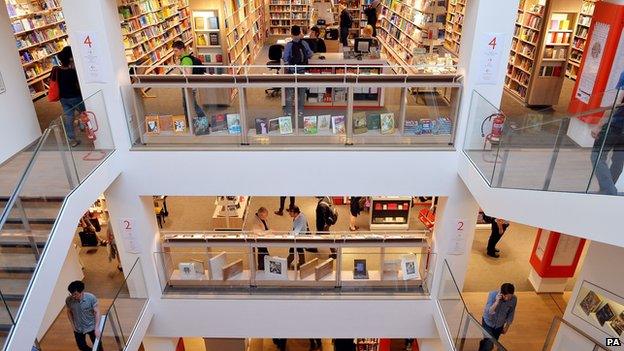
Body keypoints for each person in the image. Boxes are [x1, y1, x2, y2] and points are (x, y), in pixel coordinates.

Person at [590, 105, 624, 195]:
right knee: (618, 162)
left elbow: (616, 104)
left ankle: (609, 191)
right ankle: (608, 190)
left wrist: (599, 126)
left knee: (597, 156)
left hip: (614, 127)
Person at [56, 46, 84, 147]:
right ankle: (84, 126)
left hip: (63, 98)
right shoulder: (72, 72)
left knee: (68, 118)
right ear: (71, 58)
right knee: (84, 113)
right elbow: (78, 85)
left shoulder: (57, 70)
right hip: (75, 97)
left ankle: (72, 140)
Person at [282, 26, 313, 117]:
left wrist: (288, 67)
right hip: (302, 71)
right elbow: (310, 54)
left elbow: (285, 58)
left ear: (291, 34)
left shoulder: (289, 45)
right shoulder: (304, 43)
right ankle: (300, 111)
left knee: (290, 92)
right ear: (300, 33)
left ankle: (288, 111)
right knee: (301, 92)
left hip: (292, 71)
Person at [172, 40, 207, 120]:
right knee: (188, 103)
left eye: (176, 51)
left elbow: (188, 75)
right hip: (190, 85)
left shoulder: (185, 60)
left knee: (191, 103)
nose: (174, 53)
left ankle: (202, 120)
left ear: (182, 50)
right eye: (174, 51)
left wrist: (179, 67)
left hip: (189, 85)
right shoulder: (187, 57)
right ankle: (189, 122)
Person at [66, 281, 103, 351]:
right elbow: (69, 312)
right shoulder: (69, 300)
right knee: (81, 347)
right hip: (78, 328)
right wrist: (73, 326)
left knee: (98, 346)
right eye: (71, 294)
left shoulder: (91, 298)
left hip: (91, 326)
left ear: (82, 291)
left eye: (75, 294)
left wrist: (97, 328)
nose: (73, 296)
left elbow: (97, 312)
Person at [480, 283, 517, 351]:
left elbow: (511, 313)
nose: (507, 299)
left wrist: (506, 327)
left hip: (499, 326)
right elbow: (489, 312)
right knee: (489, 345)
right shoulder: (492, 295)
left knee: (491, 342)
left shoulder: (514, 299)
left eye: (509, 297)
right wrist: (496, 302)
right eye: (505, 296)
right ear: (501, 293)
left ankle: (482, 345)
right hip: (488, 323)